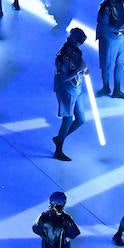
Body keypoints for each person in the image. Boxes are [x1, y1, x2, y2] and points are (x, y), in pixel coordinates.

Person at [52, 26, 90, 161]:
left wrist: (82, 70)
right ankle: (58, 150)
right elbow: (63, 78)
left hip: (77, 89)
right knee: (67, 119)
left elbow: (78, 66)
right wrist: (80, 69)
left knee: (80, 119)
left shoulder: (76, 52)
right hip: (66, 91)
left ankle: (60, 138)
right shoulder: (63, 57)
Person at [95, 0, 124, 98]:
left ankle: (117, 89)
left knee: (120, 62)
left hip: (121, 38)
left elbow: (123, 14)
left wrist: (123, 27)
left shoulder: (122, 1)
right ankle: (106, 87)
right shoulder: (106, 6)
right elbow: (103, 25)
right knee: (106, 65)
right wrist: (119, 28)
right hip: (108, 39)